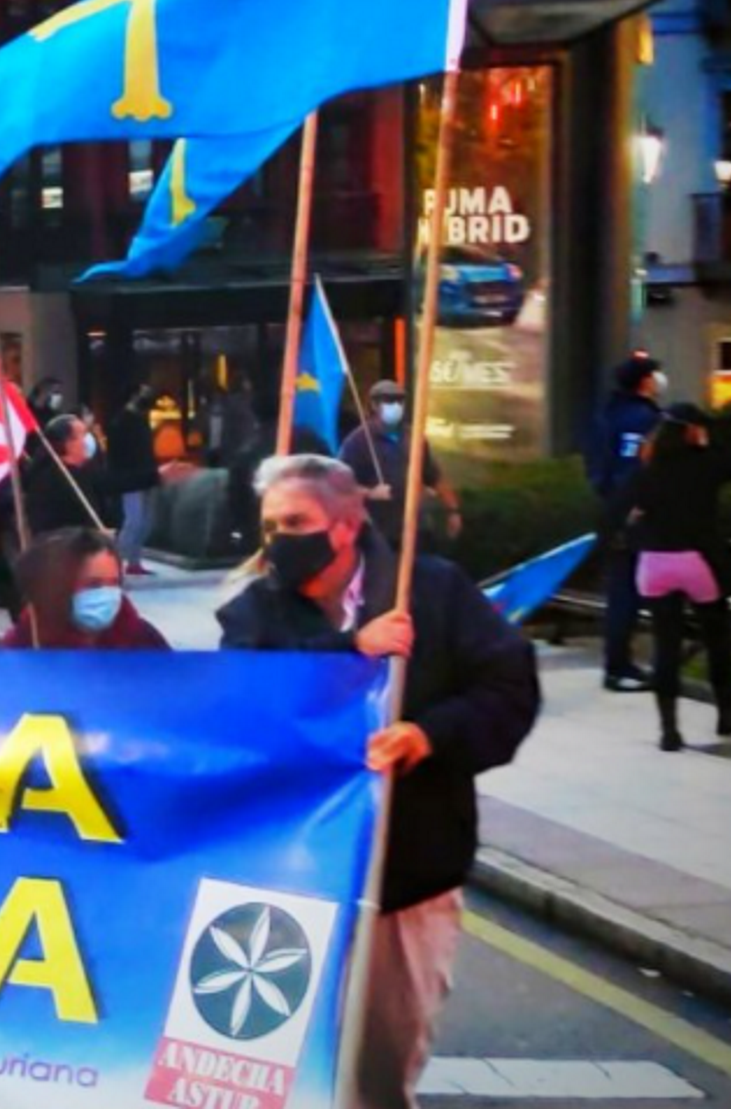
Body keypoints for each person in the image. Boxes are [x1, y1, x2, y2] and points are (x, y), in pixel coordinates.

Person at [218, 455, 538, 1109]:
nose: (280, 537)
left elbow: (508, 687)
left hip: (406, 872)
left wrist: (428, 734)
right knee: (279, 1065)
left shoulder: (433, 591)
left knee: (381, 1066)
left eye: (295, 521)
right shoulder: (252, 610)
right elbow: (240, 703)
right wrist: (347, 652)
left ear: (345, 524)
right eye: (270, 524)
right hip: (288, 876)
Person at [606, 405, 731, 751]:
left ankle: (669, 731)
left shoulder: (645, 469)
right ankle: (726, 712)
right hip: (696, 563)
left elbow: (619, 514)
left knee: (665, 646)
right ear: (691, 431)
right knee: (717, 639)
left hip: (653, 567)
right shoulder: (705, 464)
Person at [586, 355, 663, 692]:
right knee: (634, 592)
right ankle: (622, 667)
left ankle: (617, 662)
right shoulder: (646, 420)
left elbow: (599, 469)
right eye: (653, 375)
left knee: (621, 590)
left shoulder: (607, 416)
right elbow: (643, 470)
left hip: (613, 513)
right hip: (640, 518)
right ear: (644, 382)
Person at [337, 380, 461, 552]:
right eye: (388, 401)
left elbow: (434, 476)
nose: (395, 406)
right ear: (374, 405)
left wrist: (453, 510)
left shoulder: (413, 438)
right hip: (378, 532)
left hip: (415, 528)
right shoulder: (357, 442)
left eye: (399, 401)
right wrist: (370, 493)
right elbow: (340, 487)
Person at [4, 527, 170, 649]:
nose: (107, 594)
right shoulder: (24, 643)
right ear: (57, 588)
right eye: (93, 584)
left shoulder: (143, 639)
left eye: (114, 583)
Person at [105, 385, 161, 575]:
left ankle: (134, 561)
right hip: (131, 477)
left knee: (147, 522)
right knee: (134, 521)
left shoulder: (142, 419)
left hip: (147, 475)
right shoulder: (120, 421)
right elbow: (117, 455)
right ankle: (116, 563)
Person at [24, 415, 108, 537]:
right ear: (67, 443)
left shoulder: (84, 471)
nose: (88, 440)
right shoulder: (49, 479)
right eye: (82, 435)